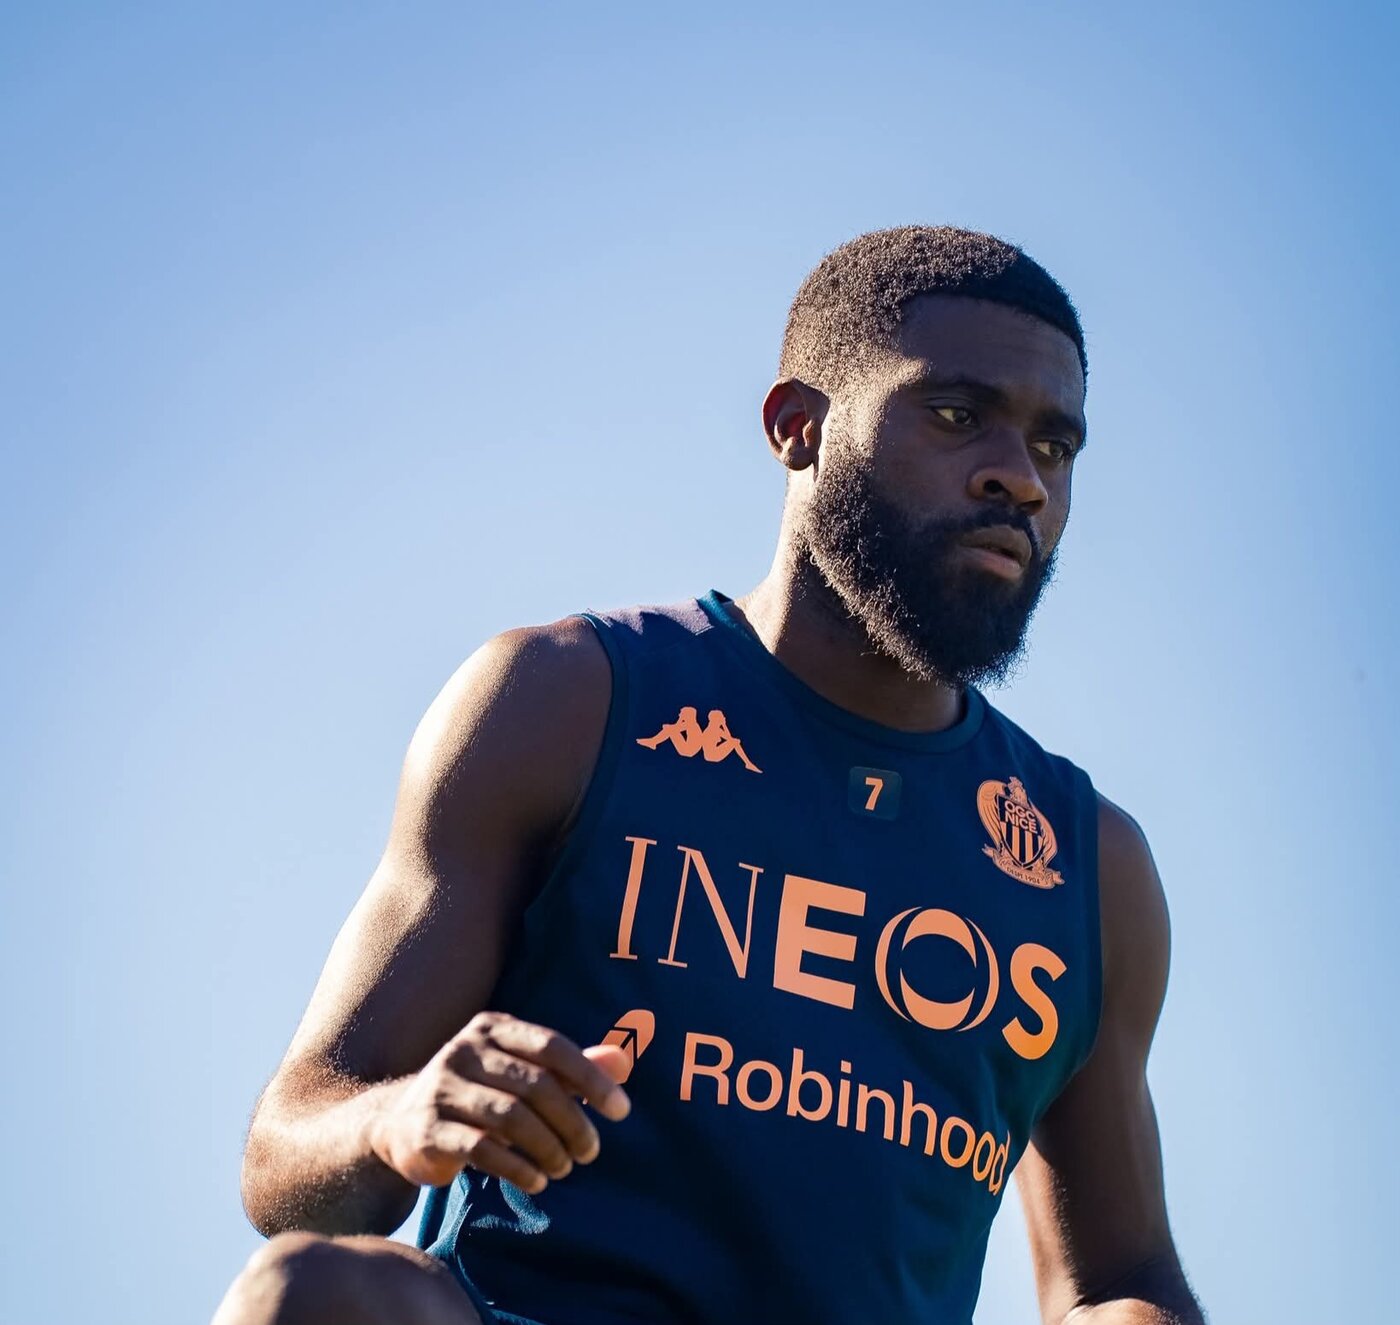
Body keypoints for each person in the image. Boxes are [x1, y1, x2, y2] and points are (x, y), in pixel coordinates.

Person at [213, 226, 1205, 1325]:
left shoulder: (1087, 864)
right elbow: (286, 1156)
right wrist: (396, 1118)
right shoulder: (565, 702)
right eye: (956, 414)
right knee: (315, 1291)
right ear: (797, 427)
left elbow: (1120, 1276)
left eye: (1054, 445)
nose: (1018, 478)